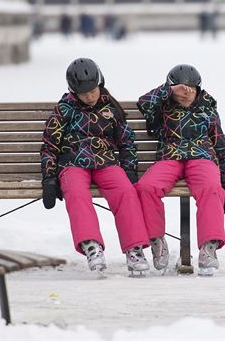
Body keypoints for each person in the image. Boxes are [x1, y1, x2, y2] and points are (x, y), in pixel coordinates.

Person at [40, 58, 150, 276]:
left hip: (106, 162)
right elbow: (50, 145)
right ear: (73, 91)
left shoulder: (111, 109)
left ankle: (134, 249)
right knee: (76, 193)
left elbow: (126, 141)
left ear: (100, 84)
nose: (90, 96)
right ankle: (92, 245)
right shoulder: (64, 110)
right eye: (83, 93)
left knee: (126, 192)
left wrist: (129, 168)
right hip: (73, 163)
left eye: (92, 91)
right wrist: (49, 178)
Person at [135, 65, 225, 276]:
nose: (186, 92)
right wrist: (169, 89)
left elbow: (221, 146)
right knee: (146, 187)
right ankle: (156, 240)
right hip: (169, 157)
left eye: (191, 87)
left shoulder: (208, 109)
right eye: (181, 88)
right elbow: (143, 103)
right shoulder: (163, 106)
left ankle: (208, 248)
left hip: (201, 157)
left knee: (211, 187)